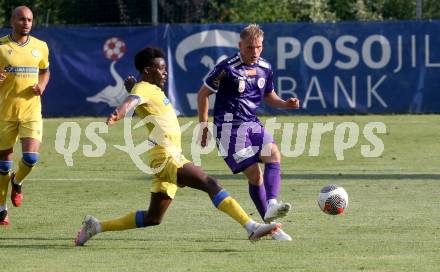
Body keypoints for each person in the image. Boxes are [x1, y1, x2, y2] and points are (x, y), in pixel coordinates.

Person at [74, 47, 279, 246]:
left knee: (153, 218)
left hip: (166, 156)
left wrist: (132, 89)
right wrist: (118, 113)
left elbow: (140, 98)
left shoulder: (150, 89)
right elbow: (132, 100)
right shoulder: (144, 88)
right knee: (211, 184)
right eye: (161, 68)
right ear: (147, 71)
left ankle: (96, 226)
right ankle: (251, 227)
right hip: (166, 156)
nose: (165, 72)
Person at [197, 24, 300, 240]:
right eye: (250, 47)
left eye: (258, 47)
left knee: (274, 155)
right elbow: (203, 94)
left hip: (252, 124)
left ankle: (272, 204)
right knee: (255, 175)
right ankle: (272, 229)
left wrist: (285, 104)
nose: (254, 52)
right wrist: (204, 127)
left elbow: (269, 96)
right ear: (240, 46)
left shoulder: (265, 67)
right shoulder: (226, 68)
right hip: (228, 130)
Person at [0, 6, 50, 225]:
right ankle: (2, 208)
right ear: (12, 21)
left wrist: (41, 85)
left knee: (30, 158)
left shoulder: (41, 47)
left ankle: (17, 181)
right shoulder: (1, 47)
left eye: (29, 19)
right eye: (21, 19)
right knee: (3, 165)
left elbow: (45, 70)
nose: (26, 23)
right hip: (4, 112)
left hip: (31, 111)